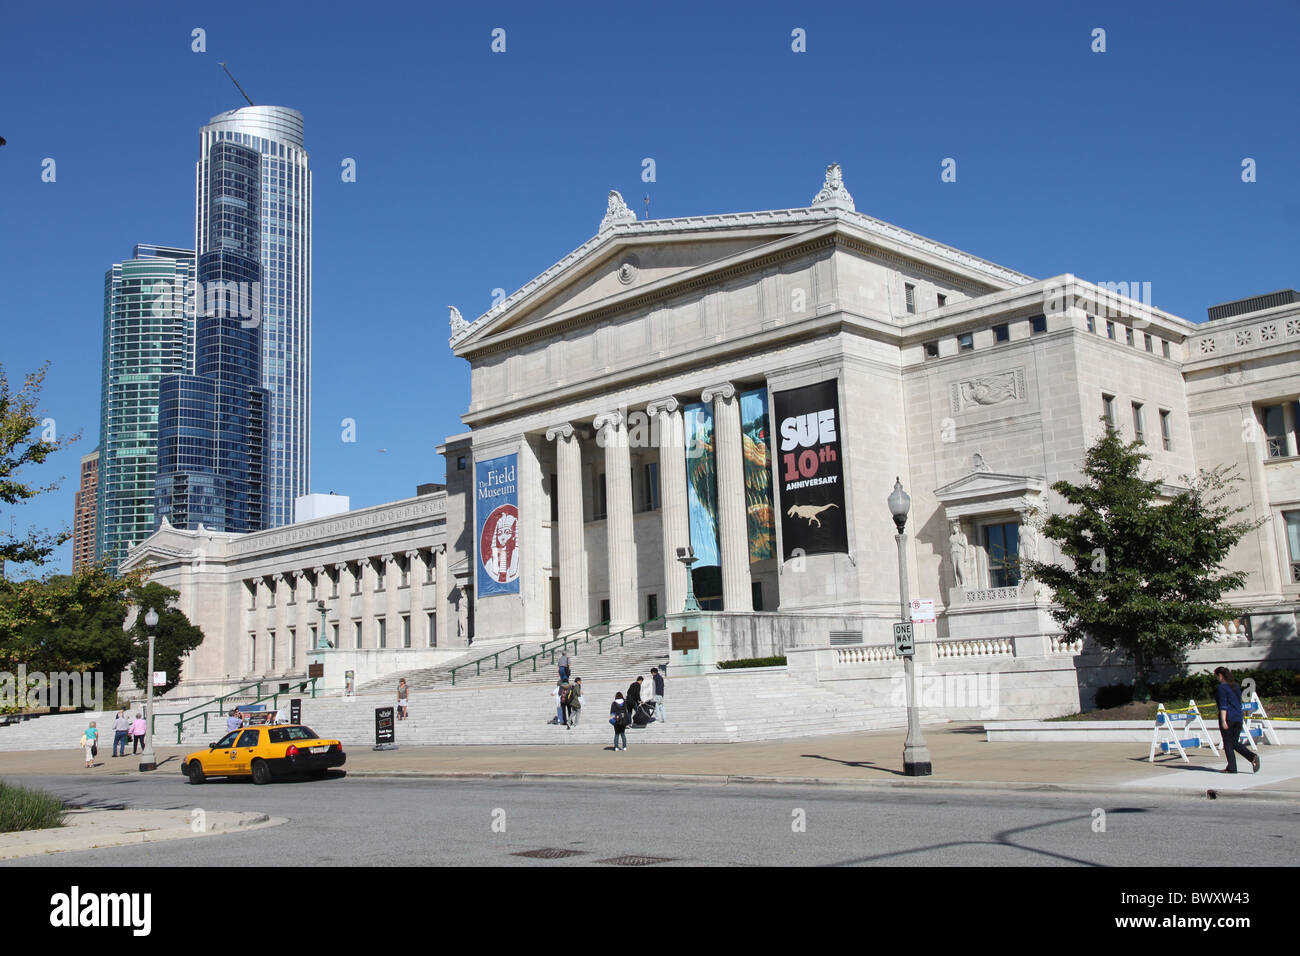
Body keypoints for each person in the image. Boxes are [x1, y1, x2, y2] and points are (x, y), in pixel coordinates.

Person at [1214, 667, 1259, 774]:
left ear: (1220, 675)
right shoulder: (1236, 686)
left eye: (1217, 676)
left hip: (1228, 717)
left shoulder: (1222, 688)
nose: (1217, 678)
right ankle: (1250, 758)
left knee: (1228, 743)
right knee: (1234, 742)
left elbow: (1223, 705)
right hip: (1238, 717)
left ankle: (1233, 767)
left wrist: (1223, 720)